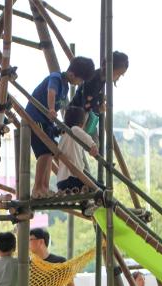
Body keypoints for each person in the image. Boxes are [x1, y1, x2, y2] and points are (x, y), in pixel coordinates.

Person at [25, 56, 96, 197]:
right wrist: (51, 109)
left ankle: (44, 187)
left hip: (47, 122)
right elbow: (51, 92)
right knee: (44, 153)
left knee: (50, 153)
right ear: (72, 74)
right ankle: (37, 188)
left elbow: (63, 106)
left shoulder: (65, 86)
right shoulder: (56, 78)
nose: (79, 83)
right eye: (80, 80)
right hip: (36, 118)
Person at [70, 51, 129, 137]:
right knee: (92, 144)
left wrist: (100, 99)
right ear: (111, 69)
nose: (118, 78)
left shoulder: (101, 79)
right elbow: (86, 104)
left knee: (94, 143)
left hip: (83, 117)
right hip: (77, 117)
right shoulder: (93, 79)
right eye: (118, 74)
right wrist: (98, 108)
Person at [55, 106, 97, 194]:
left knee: (96, 186)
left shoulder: (64, 137)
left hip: (61, 182)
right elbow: (85, 137)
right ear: (81, 124)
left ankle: (86, 205)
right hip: (72, 178)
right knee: (99, 189)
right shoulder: (75, 129)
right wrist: (93, 145)